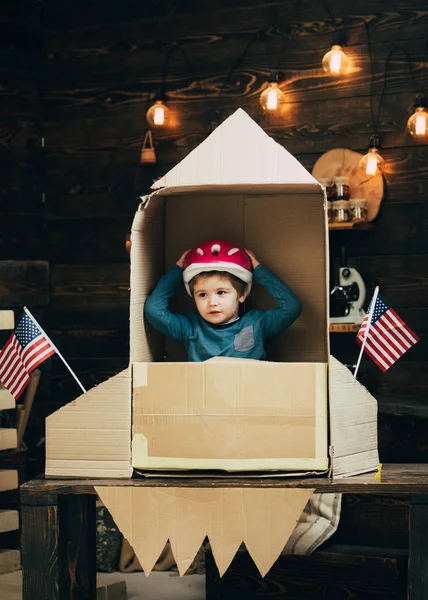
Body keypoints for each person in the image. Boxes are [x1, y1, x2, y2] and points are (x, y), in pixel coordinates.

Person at [144, 239, 301, 362]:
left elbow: (291, 307)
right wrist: (177, 273)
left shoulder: (256, 324)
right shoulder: (191, 328)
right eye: (202, 295)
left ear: (242, 294)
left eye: (221, 292)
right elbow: (153, 310)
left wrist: (260, 272)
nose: (212, 302)